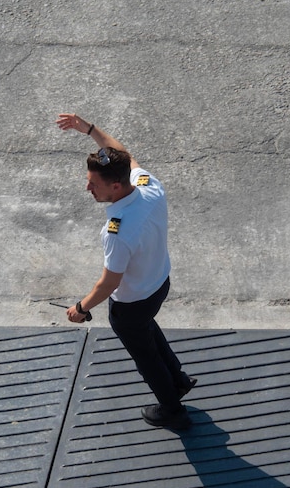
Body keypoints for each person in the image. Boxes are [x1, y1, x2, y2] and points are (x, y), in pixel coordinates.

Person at [56, 112, 196, 430]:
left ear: (116, 186)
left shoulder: (117, 231)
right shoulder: (149, 188)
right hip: (159, 283)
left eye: (94, 184)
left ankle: (173, 409)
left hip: (131, 303)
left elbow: (109, 283)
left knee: (145, 357)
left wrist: (81, 308)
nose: (87, 188)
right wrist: (89, 129)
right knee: (147, 331)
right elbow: (125, 155)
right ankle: (178, 379)